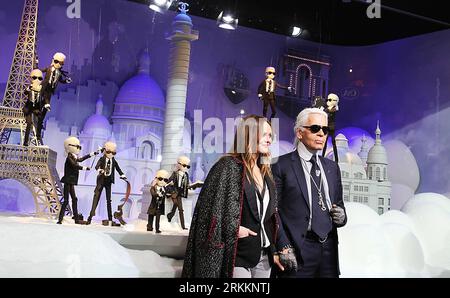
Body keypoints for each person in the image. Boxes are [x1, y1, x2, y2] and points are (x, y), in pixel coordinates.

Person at [182, 115, 281, 278]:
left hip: (263, 257)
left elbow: (269, 215)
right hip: (235, 255)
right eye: (264, 134)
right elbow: (206, 215)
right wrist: (233, 230)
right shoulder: (227, 167)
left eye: (270, 135)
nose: (269, 140)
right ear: (248, 134)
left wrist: (274, 249)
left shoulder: (265, 171)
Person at [272, 107, 347, 278]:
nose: (321, 133)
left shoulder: (332, 168)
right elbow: (272, 212)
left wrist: (342, 216)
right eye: (315, 128)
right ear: (299, 133)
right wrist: (282, 246)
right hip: (298, 249)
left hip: (329, 249)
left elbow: (339, 205)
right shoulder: (280, 165)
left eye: (325, 130)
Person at [57, 137, 99, 224]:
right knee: (66, 201)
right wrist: (85, 168)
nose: (79, 149)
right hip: (68, 181)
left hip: (71, 181)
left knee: (74, 199)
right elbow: (74, 166)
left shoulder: (74, 157)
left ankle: (76, 219)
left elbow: (81, 159)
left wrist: (92, 154)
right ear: (71, 146)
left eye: (80, 147)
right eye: (78, 147)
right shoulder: (69, 157)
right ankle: (60, 220)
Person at [86, 141, 127, 226]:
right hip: (101, 181)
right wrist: (99, 170)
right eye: (109, 152)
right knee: (96, 198)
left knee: (109, 201)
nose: (111, 154)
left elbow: (118, 169)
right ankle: (90, 217)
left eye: (113, 153)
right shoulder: (102, 159)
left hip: (108, 182)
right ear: (105, 151)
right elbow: (96, 166)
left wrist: (122, 175)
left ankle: (110, 219)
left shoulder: (113, 161)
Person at [147, 169, 172, 233]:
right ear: (156, 179)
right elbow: (153, 194)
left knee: (158, 218)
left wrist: (170, 195)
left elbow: (167, 195)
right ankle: (149, 227)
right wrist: (156, 192)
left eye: (165, 180)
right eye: (160, 179)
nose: (163, 181)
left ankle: (157, 229)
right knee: (151, 217)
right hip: (153, 205)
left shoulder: (164, 188)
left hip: (160, 206)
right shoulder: (153, 188)